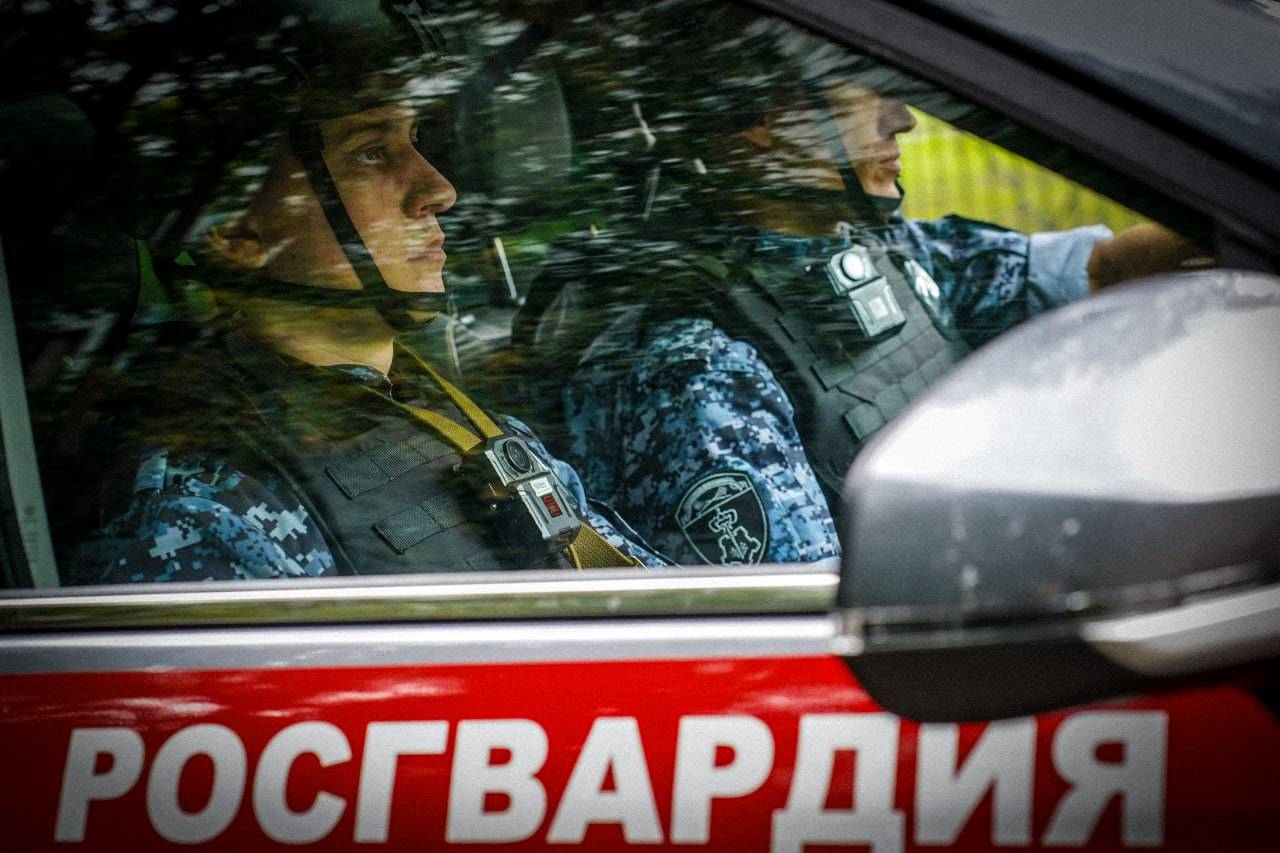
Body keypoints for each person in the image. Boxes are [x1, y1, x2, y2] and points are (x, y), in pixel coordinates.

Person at [528, 40, 1200, 566]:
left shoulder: (876, 251)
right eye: (865, 91)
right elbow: (800, 614)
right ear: (765, 120)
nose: (902, 119)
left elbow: (1101, 272)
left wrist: (1218, 227)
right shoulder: (700, 366)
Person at [62, 0, 661, 583]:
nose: (439, 190)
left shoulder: (470, 424)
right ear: (236, 233)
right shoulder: (209, 514)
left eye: (414, 143)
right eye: (371, 154)